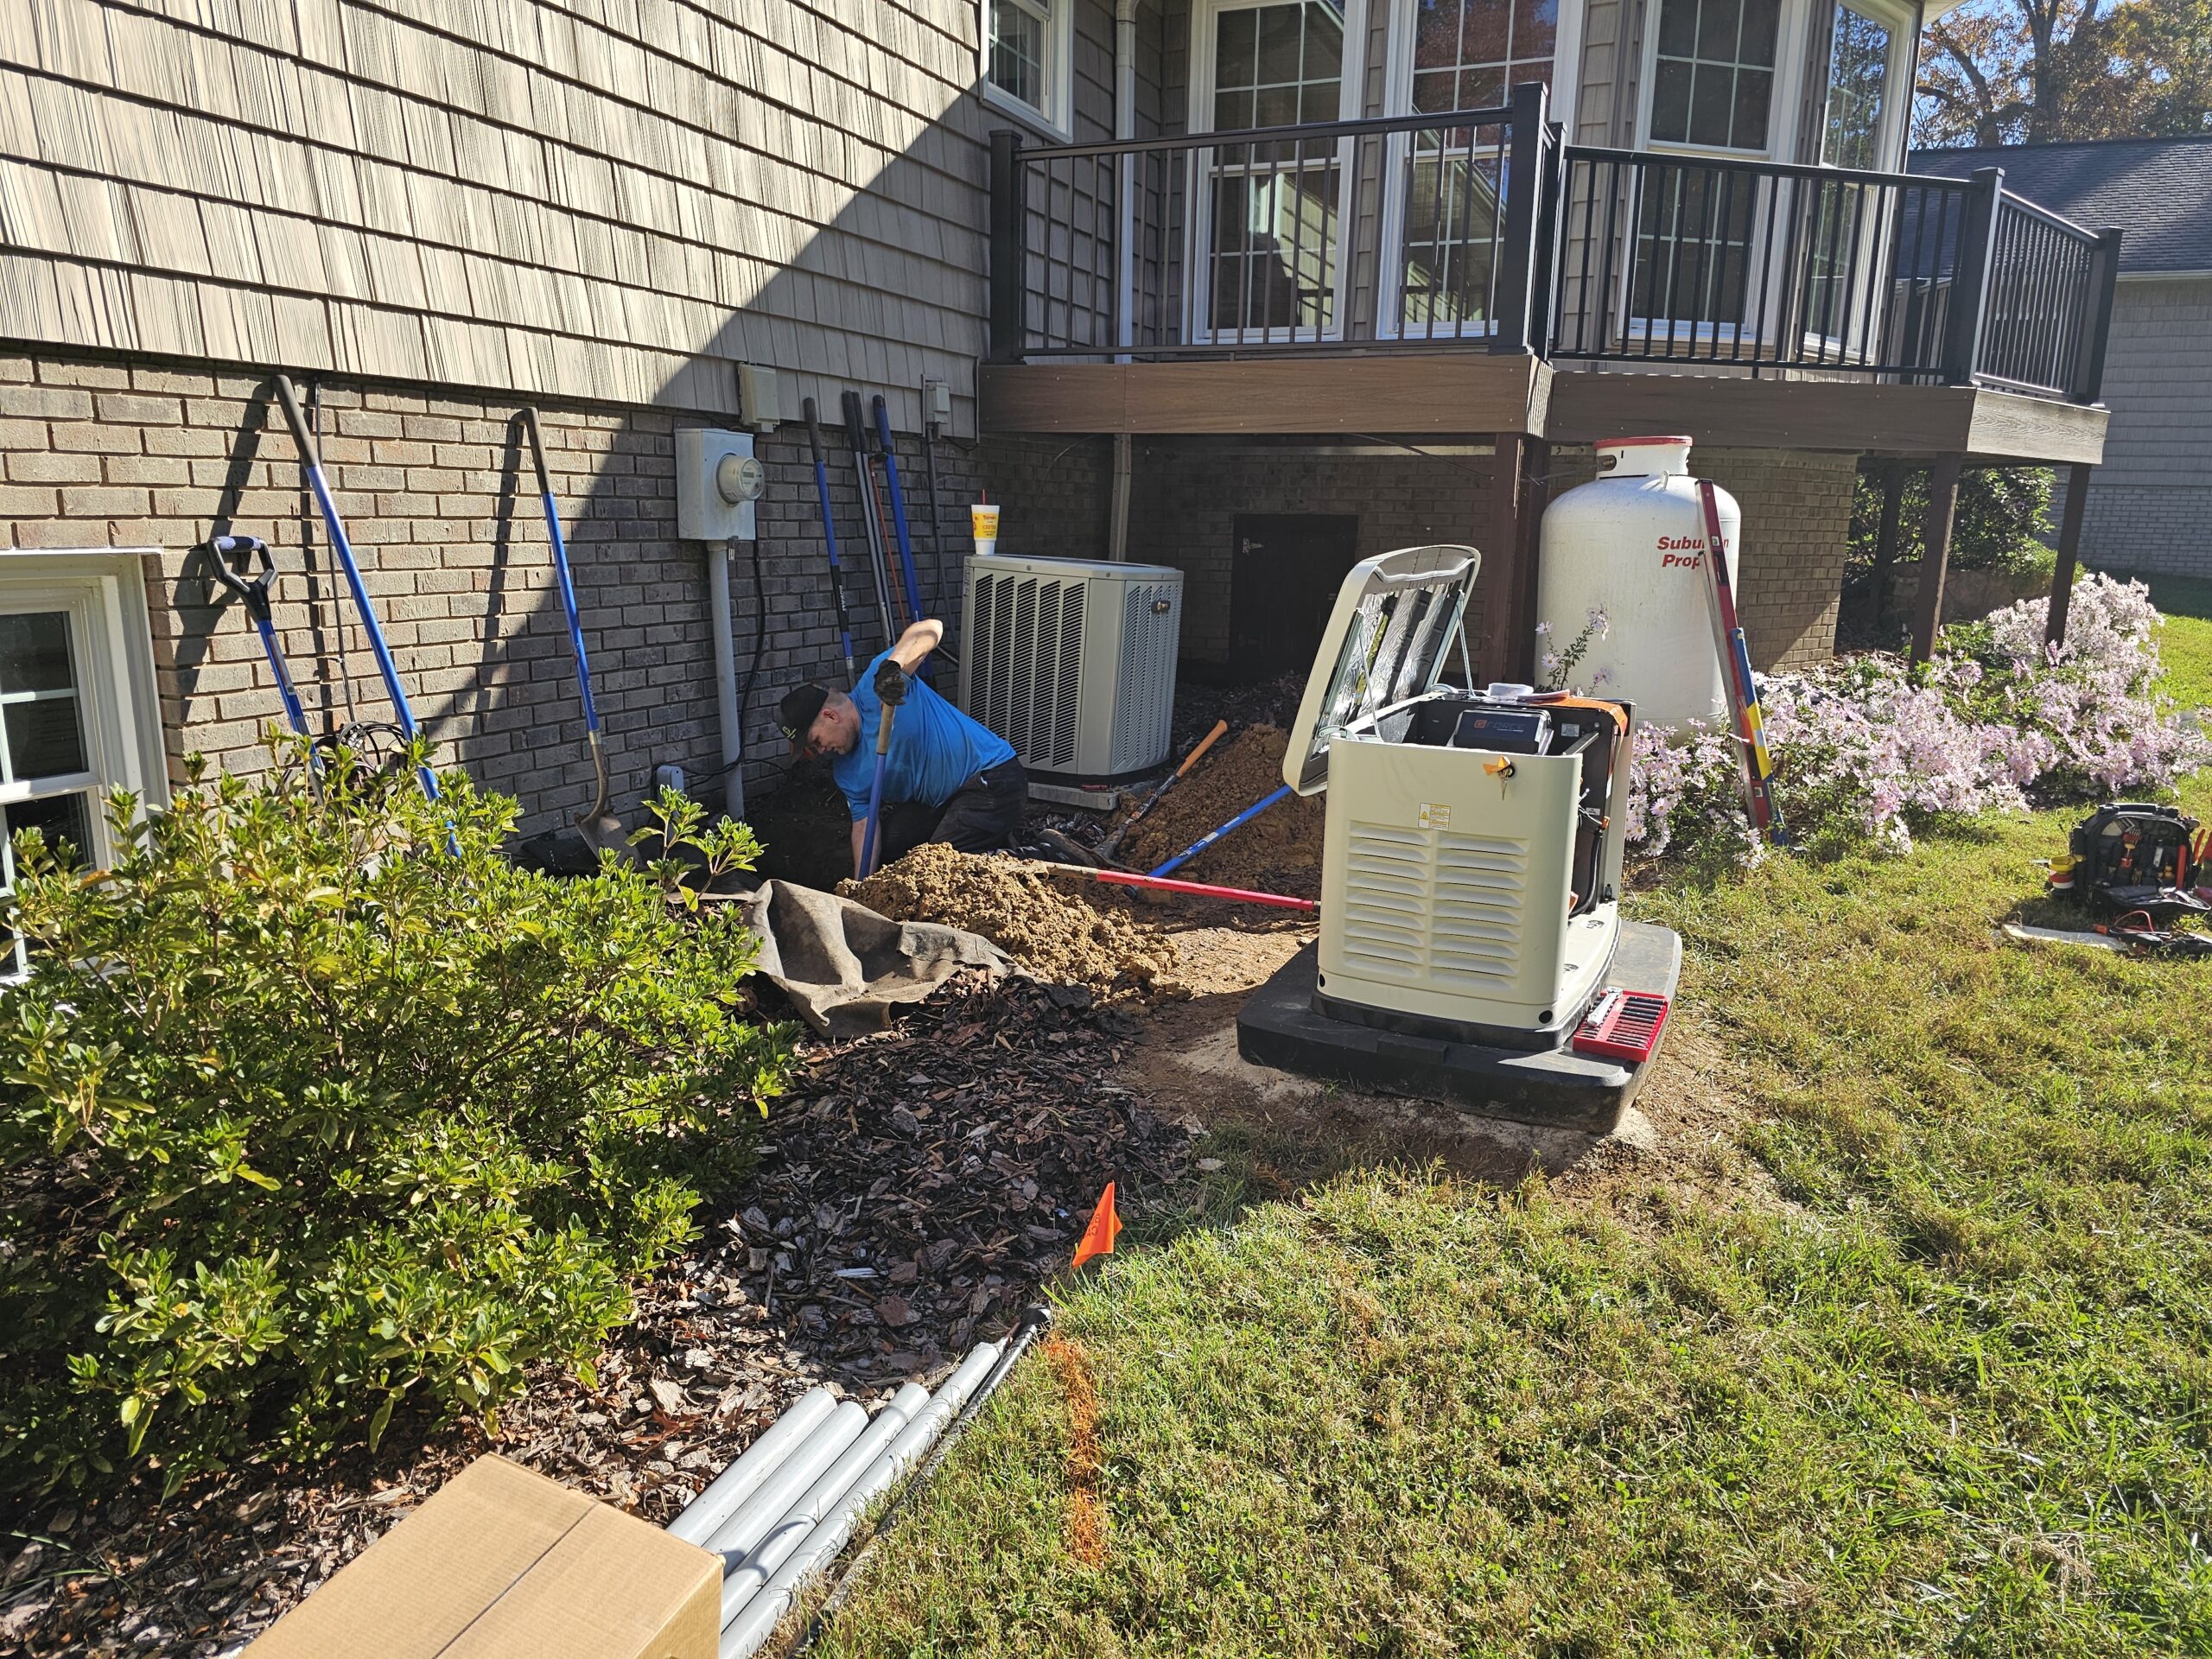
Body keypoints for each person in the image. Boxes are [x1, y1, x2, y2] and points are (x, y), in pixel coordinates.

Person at [778, 619, 1026, 874]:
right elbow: (865, 826)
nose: (820, 751)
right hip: (940, 802)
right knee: (893, 849)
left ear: (830, 716)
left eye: (816, 741)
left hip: (991, 779)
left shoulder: (878, 686)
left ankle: (1029, 858)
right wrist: (862, 885)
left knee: (939, 867)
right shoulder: (846, 774)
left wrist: (893, 667)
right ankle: (987, 845)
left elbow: (932, 628)